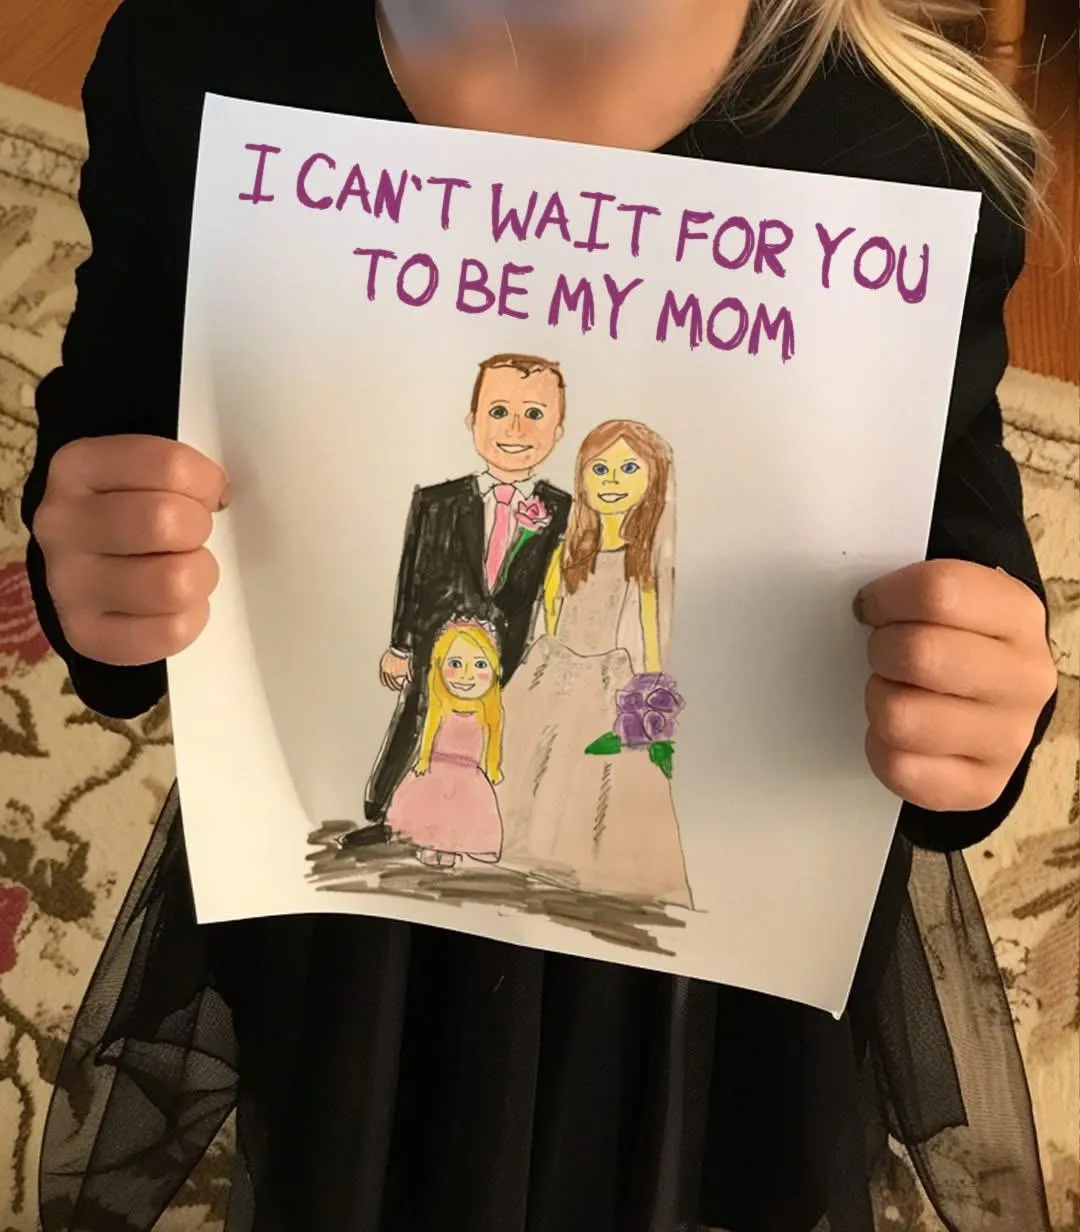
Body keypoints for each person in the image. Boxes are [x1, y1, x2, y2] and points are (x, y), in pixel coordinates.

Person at [20, 0, 1060, 1228]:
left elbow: (958, 522)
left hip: (714, 987)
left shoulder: (913, 155)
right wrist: (96, 560)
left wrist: (978, 691)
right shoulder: (198, 65)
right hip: (354, 943)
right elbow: (119, 408)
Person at [361, 351, 571, 831]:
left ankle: (475, 820)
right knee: (417, 719)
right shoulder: (437, 502)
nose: (515, 429)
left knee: (491, 733)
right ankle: (385, 809)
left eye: (534, 414)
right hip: (434, 644)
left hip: (510, 650)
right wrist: (400, 645)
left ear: (558, 429)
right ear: (472, 419)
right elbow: (413, 575)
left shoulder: (561, 509)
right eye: (498, 411)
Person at [498, 420, 693, 907]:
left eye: (628, 469)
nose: (612, 480)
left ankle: (574, 861)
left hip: (608, 677)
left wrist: (651, 692)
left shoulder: (641, 561)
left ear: (653, 480)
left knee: (592, 775)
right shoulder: (566, 550)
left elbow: (650, 632)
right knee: (532, 760)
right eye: (600, 469)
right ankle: (523, 848)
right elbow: (551, 611)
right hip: (553, 668)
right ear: (582, 475)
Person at [387, 619, 505, 867]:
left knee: (457, 815)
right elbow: (429, 734)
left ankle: (449, 849)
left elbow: (493, 742)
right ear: (439, 665)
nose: (466, 675)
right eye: (455, 664)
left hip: (469, 774)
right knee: (435, 810)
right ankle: (430, 846)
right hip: (437, 768)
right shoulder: (440, 707)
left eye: (480, 665)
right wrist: (423, 759)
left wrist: (492, 767)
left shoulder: (489, 712)